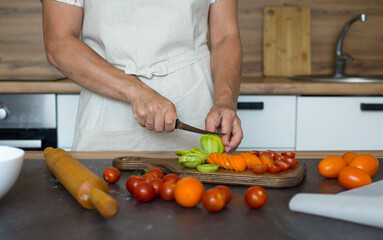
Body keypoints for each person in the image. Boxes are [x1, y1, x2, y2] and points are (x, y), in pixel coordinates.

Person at [42, 0, 243, 152]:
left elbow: (226, 37)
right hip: (107, 113)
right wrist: (136, 91)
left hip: (196, 108)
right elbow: (59, 43)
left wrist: (225, 101)